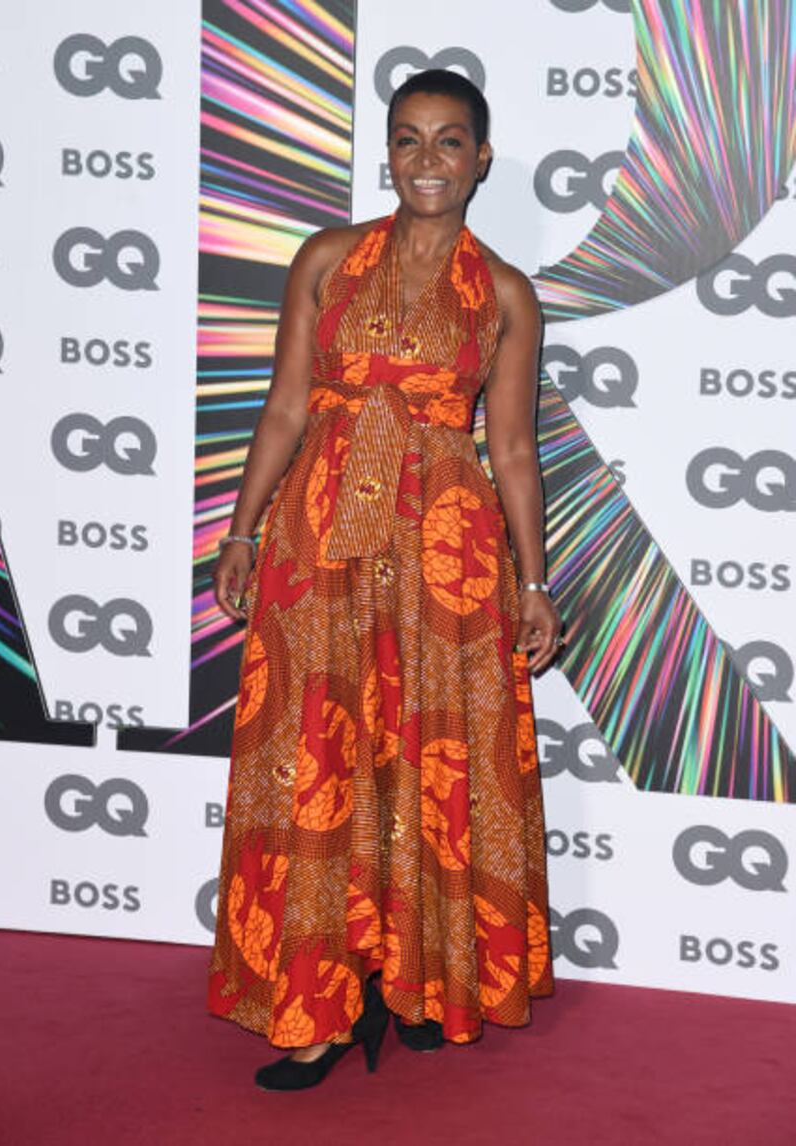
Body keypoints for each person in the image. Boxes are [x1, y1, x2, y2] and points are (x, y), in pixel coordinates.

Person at [208, 67, 562, 1092]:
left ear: (480, 158)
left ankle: (412, 979)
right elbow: (281, 407)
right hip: (315, 539)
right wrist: (241, 532)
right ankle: (319, 1004)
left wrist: (532, 587)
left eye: (449, 141)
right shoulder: (325, 258)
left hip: (444, 551)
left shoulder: (501, 293)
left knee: (432, 755)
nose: (427, 162)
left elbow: (512, 449)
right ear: (385, 153)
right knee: (316, 751)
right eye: (407, 140)